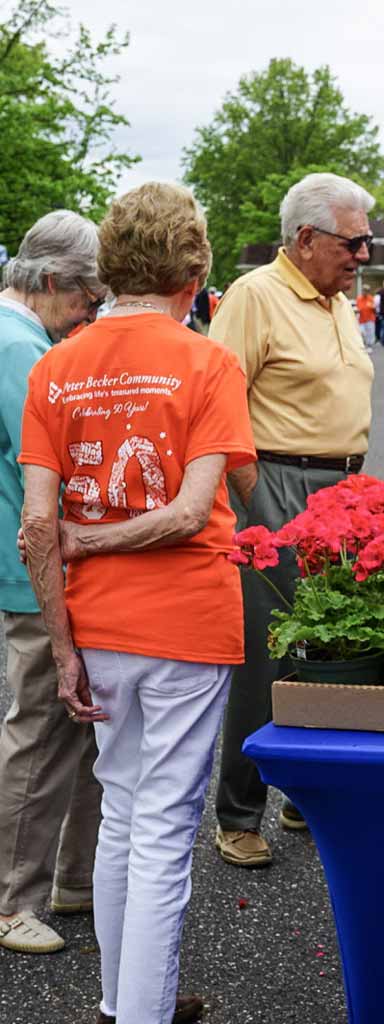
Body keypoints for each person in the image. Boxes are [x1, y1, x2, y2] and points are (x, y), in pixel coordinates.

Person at [19, 181, 256, 1023]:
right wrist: (100, 540)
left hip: (97, 623)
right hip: (188, 620)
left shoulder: (56, 366)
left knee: (122, 811)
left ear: (110, 266)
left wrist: (62, 645)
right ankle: (140, 1016)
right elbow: (197, 510)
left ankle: (125, 1004)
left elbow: (38, 527)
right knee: (160, 830)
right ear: (194, 272)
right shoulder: (207, 362)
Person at [209, 172, 375, 867]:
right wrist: (254, 500)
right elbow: (216, 403)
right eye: (353, 242)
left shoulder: (337, 299)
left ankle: (303, 792)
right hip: (276, 483)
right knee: (267, 652)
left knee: (330, 645)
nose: (363, 254)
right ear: (306, 239)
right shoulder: (255, 295)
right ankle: (238, 814)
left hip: (341, 487)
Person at [0, 212, 105, 956]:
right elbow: (51, 465)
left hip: (30, 566)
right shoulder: (20, 348)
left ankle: (67, 880)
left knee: (68, 728)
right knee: (39, 732)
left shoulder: (24, 339)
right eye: (83, 299)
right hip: (33, 573)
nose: (90, 313)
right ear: (46, 282)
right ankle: (11, 899)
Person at [356, 284, 376, 349]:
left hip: (370, 318)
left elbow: (374, 308)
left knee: (370, 333)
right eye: (364, 290)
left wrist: (373, 307)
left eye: (366, 291)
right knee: (362, 332)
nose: (365, 292)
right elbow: (358, 308)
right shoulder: (359, 299)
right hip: (362, 319)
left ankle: (369, 345)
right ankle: (363, 345)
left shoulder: (371, 298)